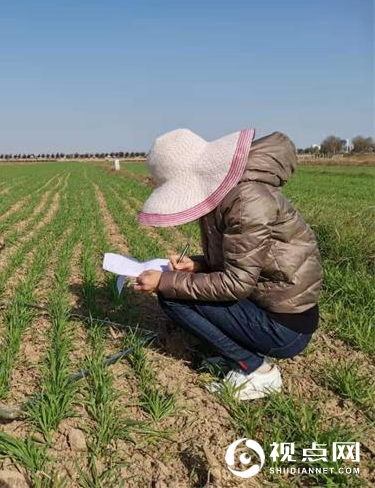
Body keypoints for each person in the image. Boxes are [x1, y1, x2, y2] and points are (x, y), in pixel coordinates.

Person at [133, 129, 322, 401]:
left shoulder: (246, 202)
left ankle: (257, 370)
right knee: (179, 288)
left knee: (172, 296)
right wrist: (197, 266)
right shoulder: (231, 195)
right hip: (270, 305)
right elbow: (243, 261)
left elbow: (237, 282)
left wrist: (164, 281)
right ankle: (240, 356)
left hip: (286, 327)